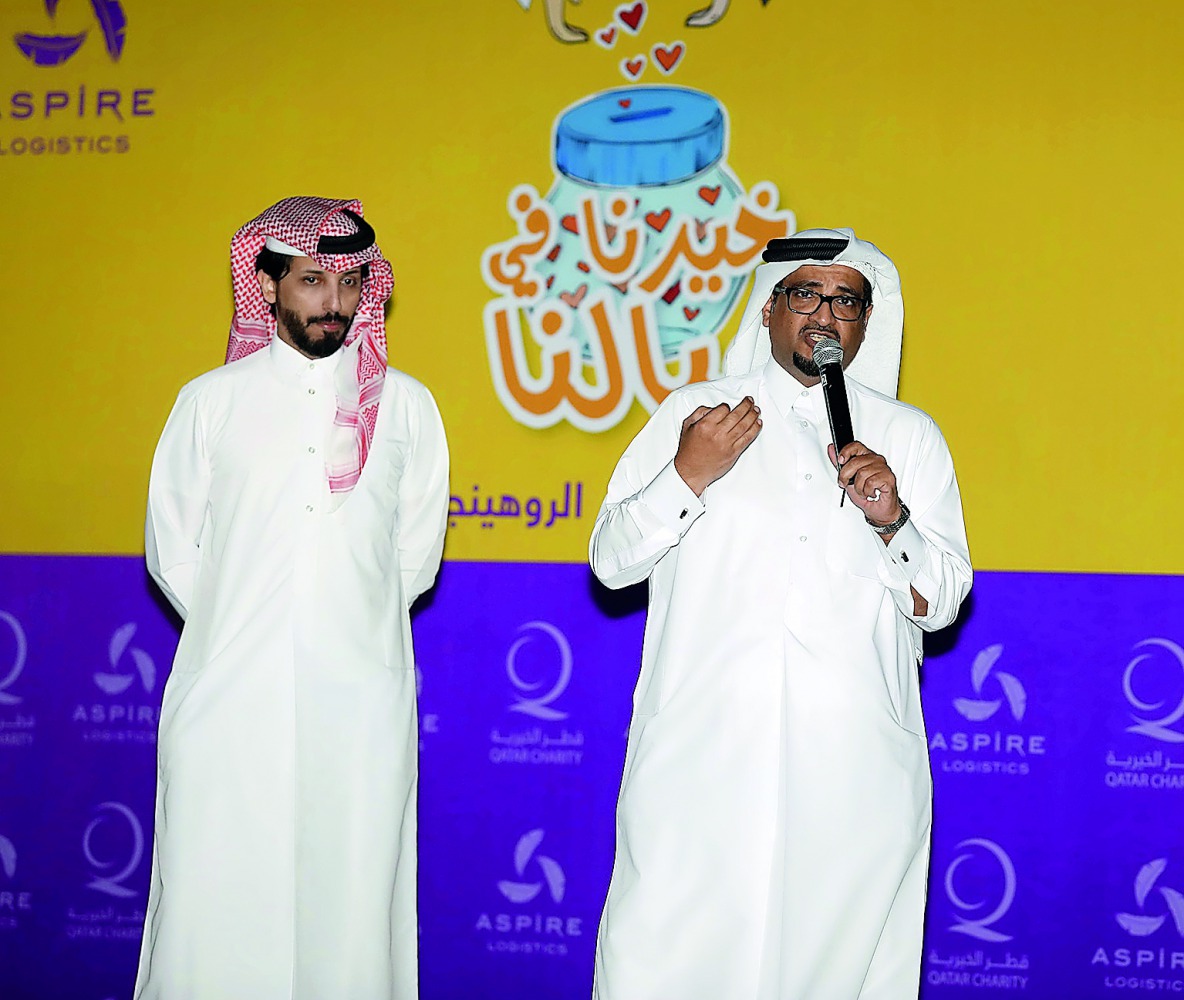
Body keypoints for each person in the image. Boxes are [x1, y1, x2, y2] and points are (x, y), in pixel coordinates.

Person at [588, 228, 972, 999]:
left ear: (868, 323)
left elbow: (940, 606)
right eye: (806, 294)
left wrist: (893, 519)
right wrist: (688, 475)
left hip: (851, 772)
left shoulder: (907, 436)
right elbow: (611, 561)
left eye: (847, 302)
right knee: (665, 961)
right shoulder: (694, 415)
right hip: (701, 764)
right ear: (768, 311)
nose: (824, 316)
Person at [136, 197, 449, 1000]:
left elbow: (413, 560)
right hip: (230, 693)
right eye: (312, 281)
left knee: (350, 900)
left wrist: (338, 624)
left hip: (359, 696)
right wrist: (250, 629)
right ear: (267, 284)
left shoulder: (406, 407)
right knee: (214, 894)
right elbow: (174, 552)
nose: (333, 304)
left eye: (350, 284)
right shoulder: (211, 400)